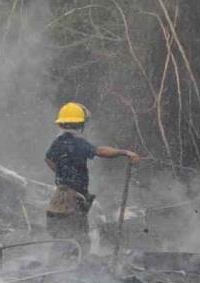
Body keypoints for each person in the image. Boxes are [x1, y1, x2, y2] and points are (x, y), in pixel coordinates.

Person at [45, 102, 139, 252]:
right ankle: (72, 272)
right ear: (80, 124)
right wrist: (124, 152)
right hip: (71, 201)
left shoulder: (58, 142)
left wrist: (62, 174)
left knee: (62, 240)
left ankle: (56, 269)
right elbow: (100, 151)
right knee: (78, 242)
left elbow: (48, 159)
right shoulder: (77, 142)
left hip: (58, 199)